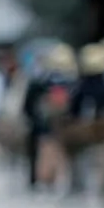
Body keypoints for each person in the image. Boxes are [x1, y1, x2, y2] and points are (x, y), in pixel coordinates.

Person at [23, 43, 76, 192]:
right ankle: (50, 180)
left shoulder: (40, 83)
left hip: (46, 127)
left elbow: (28, 106)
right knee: (53, 154)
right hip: (57, 127)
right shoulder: (69, 84)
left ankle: (46, 181)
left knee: (46, 154)